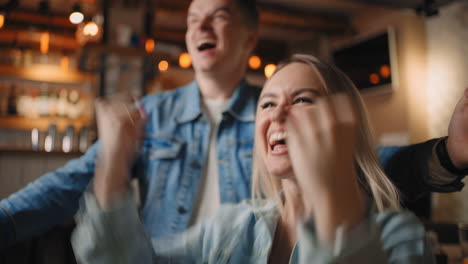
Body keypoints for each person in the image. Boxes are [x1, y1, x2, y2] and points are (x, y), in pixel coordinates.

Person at [0, 0, 466, 250]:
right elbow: (67, 187)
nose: (200, 26)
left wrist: (450, 155)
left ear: (248, 38)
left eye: (217, 16)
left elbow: (370, 161)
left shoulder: (274, 120)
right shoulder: (151, 116)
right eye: (192, 19)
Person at [72, 54, 434, 263]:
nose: (277, 116)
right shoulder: (231, 226)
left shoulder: (399, 238)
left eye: (302, 99)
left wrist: (331, 195)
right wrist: (113, 167)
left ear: (342, 122)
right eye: (268, 103)